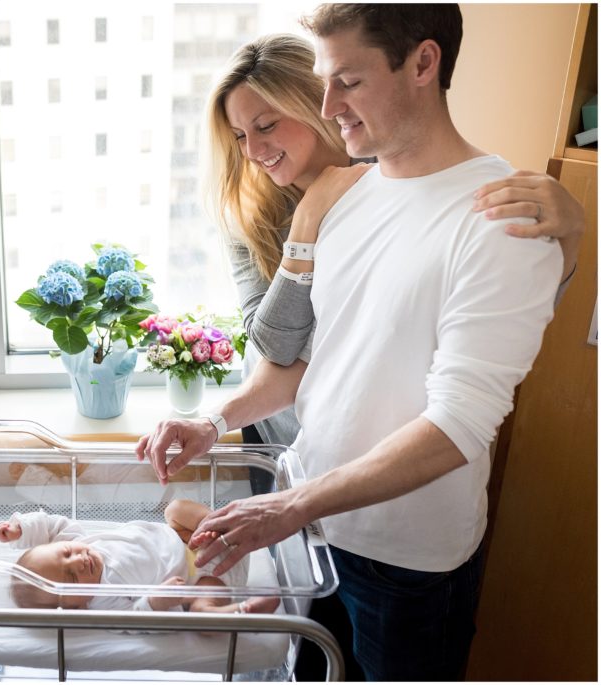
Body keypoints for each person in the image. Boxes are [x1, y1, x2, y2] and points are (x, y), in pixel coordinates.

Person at [138, 5, 573, 680]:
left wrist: (289, 504)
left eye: (348, 81)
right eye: (323, 81)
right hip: (317, 535)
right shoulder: (347, 195)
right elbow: (302, 369)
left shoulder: (499, 217)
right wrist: (212, 420)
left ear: (423, 64)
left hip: (405, 560)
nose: (328, 103)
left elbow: (458, 424)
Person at [209, 35, 585, 451]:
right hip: (276, 432)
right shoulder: (249, 219)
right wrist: (306, 223)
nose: (254, 150)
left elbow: (517, 307)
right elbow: (274, 349)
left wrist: (569, 236)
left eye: (265, 126)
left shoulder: (397, 182)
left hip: (385, 444)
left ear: (316, 102)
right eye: (240, 136)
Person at [0, 500, 278, 615]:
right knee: (200, 602)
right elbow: (135, 618)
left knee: (175, 508)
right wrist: (157, 600)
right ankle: (235, 612)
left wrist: (21, 528)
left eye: (66, 554)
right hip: (206, 569)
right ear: (73, 606)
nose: (77, 561)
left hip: (188, 535)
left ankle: (219, 524)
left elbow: (51, 525)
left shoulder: (79, 542)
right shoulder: (103, 601)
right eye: (71, 576)